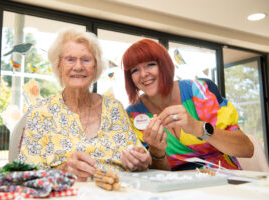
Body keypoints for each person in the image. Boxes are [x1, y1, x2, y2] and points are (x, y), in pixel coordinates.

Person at [18, 28, 151, 181]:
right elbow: (25, 175)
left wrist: (140, 161)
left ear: (95, 67)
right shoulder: (41, 112)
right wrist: (63, 170)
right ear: (59, 65)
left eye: (86, 60)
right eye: (70, 59)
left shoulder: (114, 108)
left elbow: (139, 157)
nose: (78, 66)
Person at [122, 39, 254, 171]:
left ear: (164, 65)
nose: (143, 74)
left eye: (150, 65)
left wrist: (198, 128)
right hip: (180, 188)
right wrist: (157, 152)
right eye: (135, 70)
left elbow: (247, 149)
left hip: (227, 181)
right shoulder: (134, 115)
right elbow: (159, 173)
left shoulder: (200, 91)